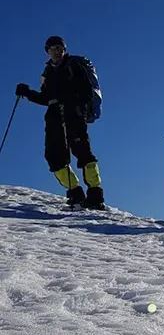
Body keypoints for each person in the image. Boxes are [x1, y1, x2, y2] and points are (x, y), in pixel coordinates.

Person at [15, 36, 105, 209]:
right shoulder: (48, 72)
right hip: (54, 116)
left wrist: (78, 108)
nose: (58, 51)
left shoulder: (74, 65)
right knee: (54, 157)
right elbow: (46, 98)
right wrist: (27, 93)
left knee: (82, 152)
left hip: (74, 114)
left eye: (60, 48)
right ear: (47, 51)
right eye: (54, 48)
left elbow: (86, 91)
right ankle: (75, 193)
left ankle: (95, 195)